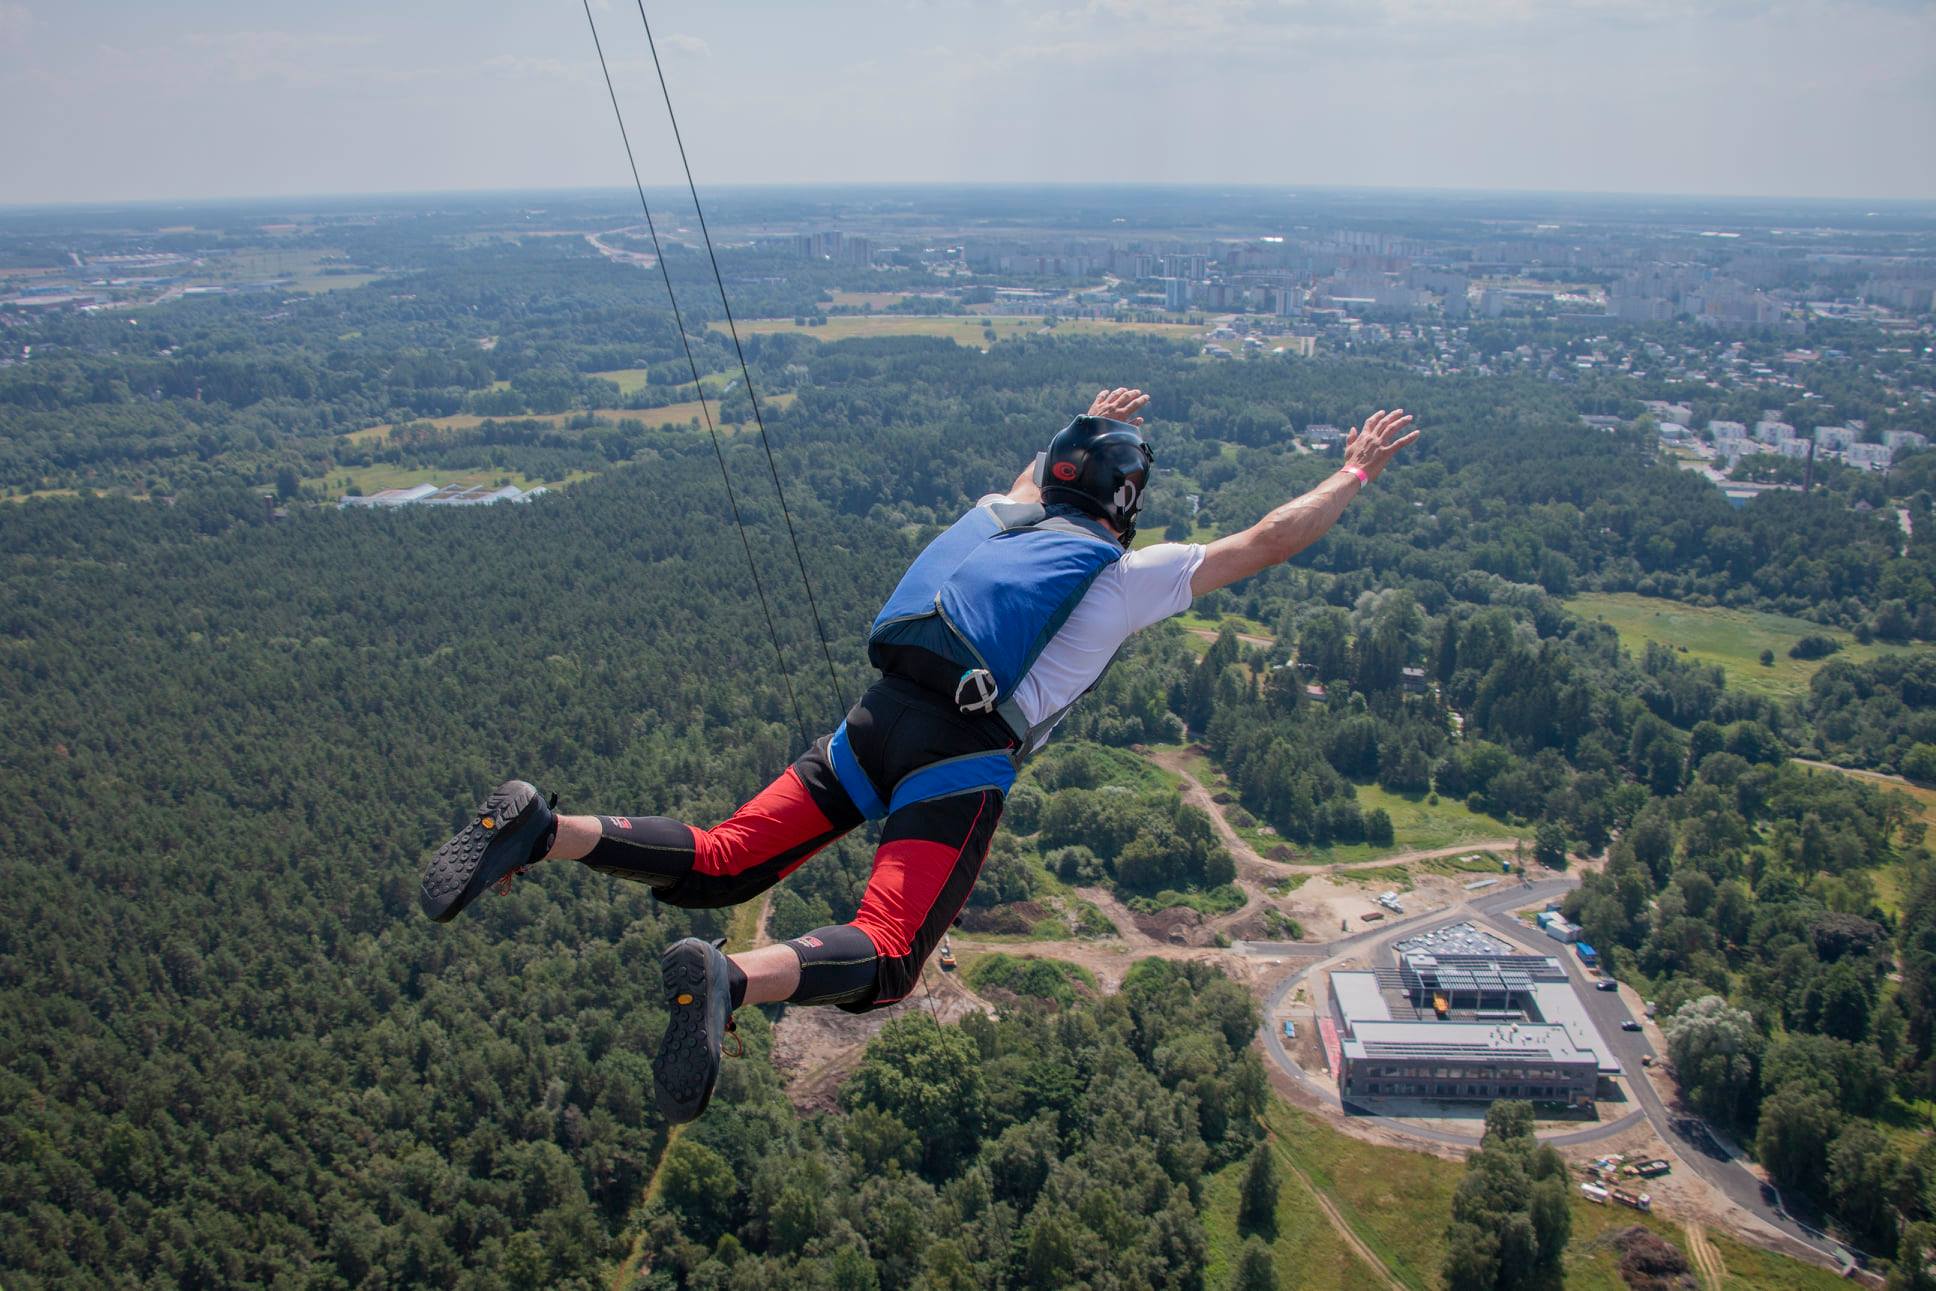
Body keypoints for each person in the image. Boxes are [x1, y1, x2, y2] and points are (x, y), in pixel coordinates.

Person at [419, 388, 1417, 1123]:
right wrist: (1353, 469)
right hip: (962, 751)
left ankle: (544, 828)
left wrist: (1079, 422)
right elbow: (1263, 541)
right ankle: (731, 981)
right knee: (890, 954)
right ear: (1123, 501)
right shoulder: (1119, 576)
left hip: (878, 718)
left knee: (728, 855)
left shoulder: (996, 514)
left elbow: (1038, 476)